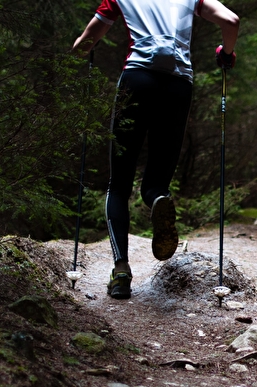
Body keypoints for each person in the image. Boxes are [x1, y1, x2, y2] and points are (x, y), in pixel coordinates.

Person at [72, 0, 239, 299]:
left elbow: (85, 43)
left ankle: (121, 271)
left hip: (137, 79)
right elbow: (231, 21)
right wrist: (226, 54)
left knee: (119, 184)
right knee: (156, 182)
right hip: (178, 86)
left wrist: (84, 48)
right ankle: (159, 199)